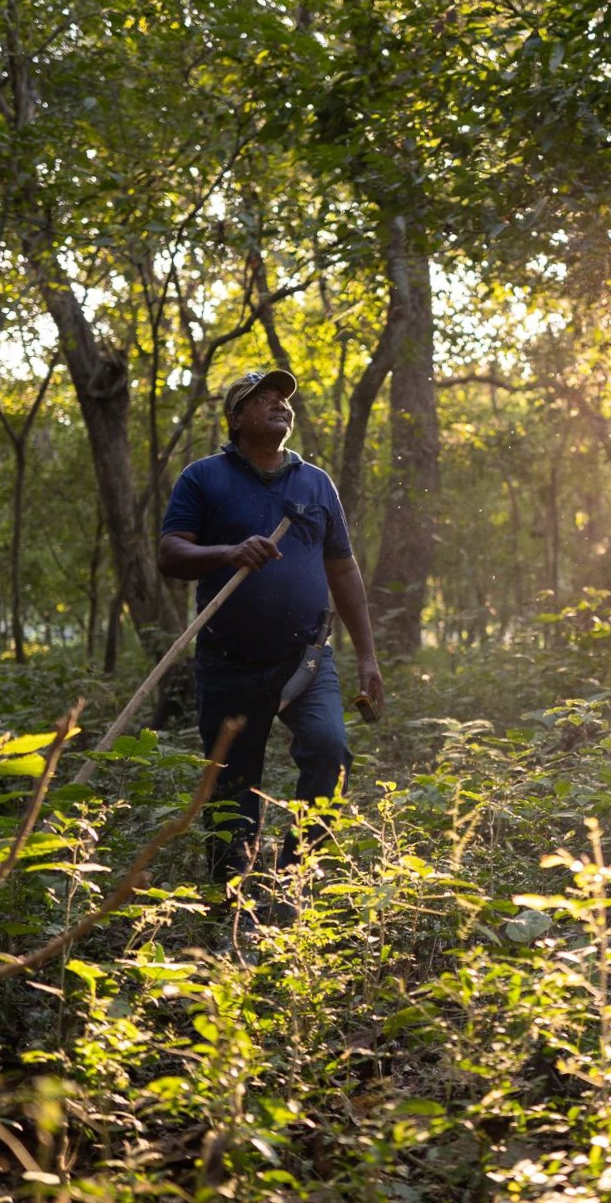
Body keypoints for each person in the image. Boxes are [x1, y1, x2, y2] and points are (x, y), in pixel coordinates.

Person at [157, 369, 384, 911]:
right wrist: (229, 552)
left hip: (306, 659)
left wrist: (369, 657)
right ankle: (232, 908)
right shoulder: (202, 478)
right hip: (228, 664)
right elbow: (170, 554)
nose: (280, 406)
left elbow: (344, 570)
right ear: (236, 419)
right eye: (263, 400)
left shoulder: (315, 483)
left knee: (330, 751)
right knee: (232, 789)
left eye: (284, 399)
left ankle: (292, 880)